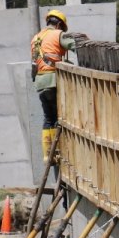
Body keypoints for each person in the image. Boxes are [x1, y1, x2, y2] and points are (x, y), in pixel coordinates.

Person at [31, 9, 76, 163]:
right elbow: (74, 45)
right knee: (59, 117)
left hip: (40, 82)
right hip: (53, 80)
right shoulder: (58, 34)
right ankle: (59, 151)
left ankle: (47, 155)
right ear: (59, 24)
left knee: (48, 118)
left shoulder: (36, 38)